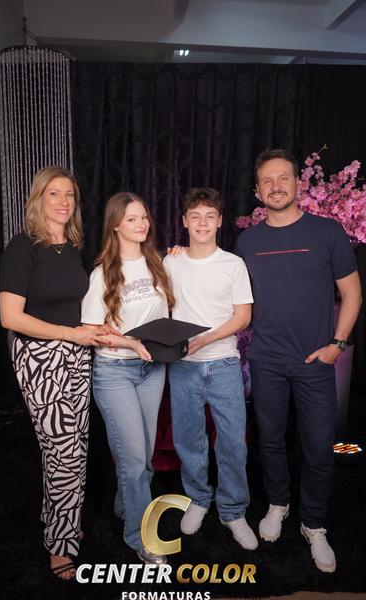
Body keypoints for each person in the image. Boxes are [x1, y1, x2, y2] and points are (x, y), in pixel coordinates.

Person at [234, 149, 362, 573]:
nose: (276, 186)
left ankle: (314, 523)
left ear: (298, 183)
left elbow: (353, 293)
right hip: (266, 361)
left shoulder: (327, 232)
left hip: (315, 362)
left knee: (319, 447)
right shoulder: (247, 242)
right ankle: (278, 504)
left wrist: (337, 345)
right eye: (267, 180)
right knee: (270, 441)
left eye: (283, 178)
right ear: (257, 191)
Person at [0, 166, 115, 580]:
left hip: (77, 354)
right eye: (54, 193)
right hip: (39, 358)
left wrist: (93, 330)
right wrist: (69, 334)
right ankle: (60, 544)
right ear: (38, 199)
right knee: (62, 452)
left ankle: (62, 522)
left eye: (69, 194)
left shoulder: (72, 248)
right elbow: (10, 317)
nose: (64, 201)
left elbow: (73, 307)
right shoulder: (23, 247)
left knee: (75, 448)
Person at [81, 192, 175, 564]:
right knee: (134, 460)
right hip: (114, 372)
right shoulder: (103, 273)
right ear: (116, 225)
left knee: (144, 456)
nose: (141, 224)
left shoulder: (158, 264)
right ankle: (140, 536)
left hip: (152, 369)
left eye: (144, 217)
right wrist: (131, 343)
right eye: (132, 219)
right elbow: (91, 330)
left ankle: (125, 506)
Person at [164, 188, 258, 550]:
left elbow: (242, 316)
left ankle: (233, 510)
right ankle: (199, 499)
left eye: (209, 216)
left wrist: (205, 339)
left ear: (219, 221)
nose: (202, 223)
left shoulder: (233, 265)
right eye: (195, 216)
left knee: (232, 441)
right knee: (189, 440)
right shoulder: (170, 263)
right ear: (184, 221)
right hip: (183, 367)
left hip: (224, 363)